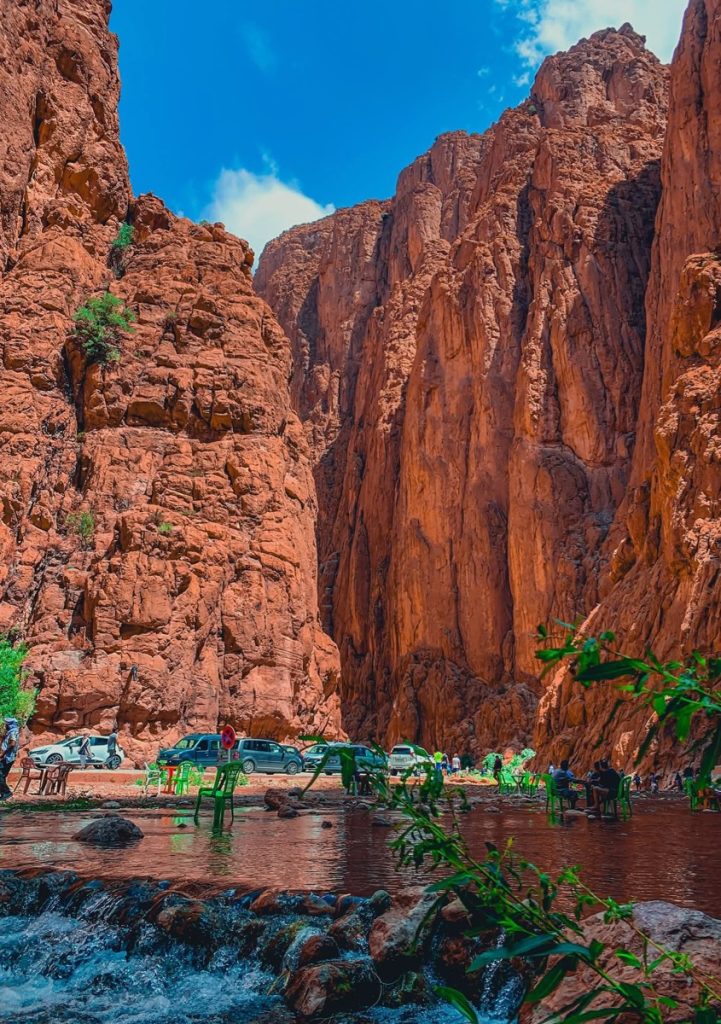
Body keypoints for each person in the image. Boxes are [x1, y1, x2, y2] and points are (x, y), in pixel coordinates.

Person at [0, 717, 20, 801]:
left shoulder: (13, 732)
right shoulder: (11, 732)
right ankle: (4, 794)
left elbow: (12, 743)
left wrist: (3, 752)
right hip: (7, 757)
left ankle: (7, 792)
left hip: (7, 757)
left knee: (0, 775)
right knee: (2, 775)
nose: (6, 726)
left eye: (7, 724)